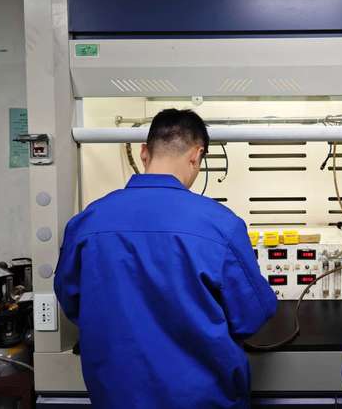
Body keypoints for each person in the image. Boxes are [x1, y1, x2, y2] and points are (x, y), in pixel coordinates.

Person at [54, 109, 277, 409]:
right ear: (196, 156)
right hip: (203, 399)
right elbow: (251, 315)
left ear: (144, 152)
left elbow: (71, 300)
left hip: (116, 395)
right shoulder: (221, 225)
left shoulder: (88, 221)